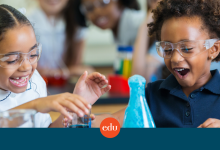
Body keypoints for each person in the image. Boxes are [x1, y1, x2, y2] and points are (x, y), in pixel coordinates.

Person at [89, 0, 220, 128]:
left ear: (213, 49)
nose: (175, 58)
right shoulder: (153, 95)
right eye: (167, 49)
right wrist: (79, 116)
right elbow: (114, 122)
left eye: (187, 48)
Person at [0, 4, 110, 127]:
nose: (26, 67)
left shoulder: (35, 82)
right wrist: (35, 105)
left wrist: (74, 109)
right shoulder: (36, 100)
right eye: (12, 60)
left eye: (33, 55)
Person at [28, 0, 94, 78]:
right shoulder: (25, 22)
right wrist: (68, 72)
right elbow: (30, 70)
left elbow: (76, 65)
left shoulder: (77, 22)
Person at [75, 0, 145, 46]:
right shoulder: (118, 30)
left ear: (119, 2)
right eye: (89, 8)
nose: (97, 12)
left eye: (103, 3)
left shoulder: (138, 23)